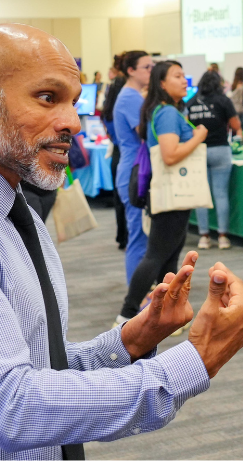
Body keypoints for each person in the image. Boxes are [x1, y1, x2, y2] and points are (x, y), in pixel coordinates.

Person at [0, 24, 243, 459]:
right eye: (48, 98)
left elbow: (38, 367)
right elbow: (14, 405)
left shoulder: (8, 207)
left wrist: (129, 343)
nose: (71, 123)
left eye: (73, 103)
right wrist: (194, 361)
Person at [118, 60, 209, 324]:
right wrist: (198, 137)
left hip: (174, 194)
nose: (184, 81)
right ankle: (127, 312)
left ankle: (162, 314)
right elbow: (170, 155)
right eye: (177, 76)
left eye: (184, 75)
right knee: (156, 256)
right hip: (172, 193)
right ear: (162, 83)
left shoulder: (164, 110)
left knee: (168, 257)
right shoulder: (167, 113)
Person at [113, 50, 153, 286]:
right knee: (139, 239)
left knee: (142, 238)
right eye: (146, 67)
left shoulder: (133, 95)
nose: (151, 71)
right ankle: (137, 301)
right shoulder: (130, 98)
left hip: (134, 169)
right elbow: (146, 133)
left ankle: (142, 297)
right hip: (134, 173)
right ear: (131, 70)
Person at [188, 69, 240, 250]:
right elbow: (235, 125)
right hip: (220, 150)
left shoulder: (191, 102)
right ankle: (223, 237)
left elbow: (186, 129)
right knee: (221, 194)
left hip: (198, 152)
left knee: (202, 195)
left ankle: (203, 236)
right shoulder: (223, 101)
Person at [102, 54, 130, 250]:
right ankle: (127, 236)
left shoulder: (109, 107)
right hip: (126, 153)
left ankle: (122, 236)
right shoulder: (126, 98)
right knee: (129, 199)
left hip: (117, 153)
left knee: (119, 198)